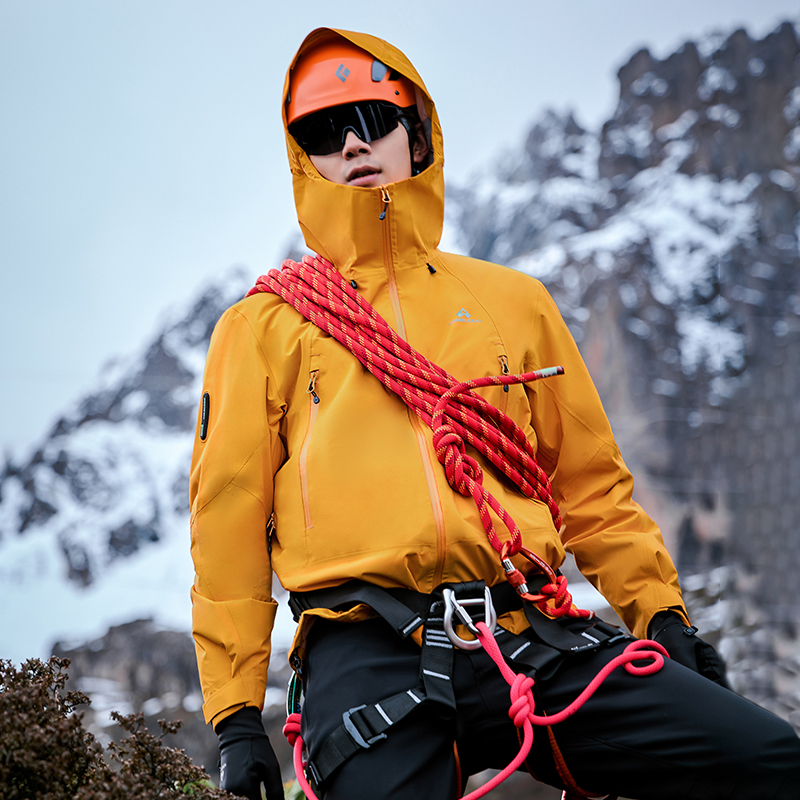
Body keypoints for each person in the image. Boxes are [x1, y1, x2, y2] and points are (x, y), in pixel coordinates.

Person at [189, 28, 800, 800]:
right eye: (322, 131)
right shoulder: (262, 328)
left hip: (527, 631)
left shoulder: (515, 304)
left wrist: (659, 614)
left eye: (374, 119)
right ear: (303, 158)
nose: (351, 143)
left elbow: (588, 489)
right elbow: (227, 533)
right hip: (362, 647)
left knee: (770, 761)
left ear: (417, 135)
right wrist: (236, 716)